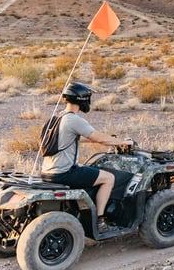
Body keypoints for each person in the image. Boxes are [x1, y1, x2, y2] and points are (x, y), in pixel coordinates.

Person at [40, 82, 131, 233]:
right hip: (64, 173)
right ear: (82, 99)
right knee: (108, 178)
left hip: (47, 172)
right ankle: (101, 220)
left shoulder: (56, 118)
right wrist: (121, 142)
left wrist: (108, 139)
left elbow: (72, 138)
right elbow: (98, 138)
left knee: (90, 170)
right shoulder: (74, 119)